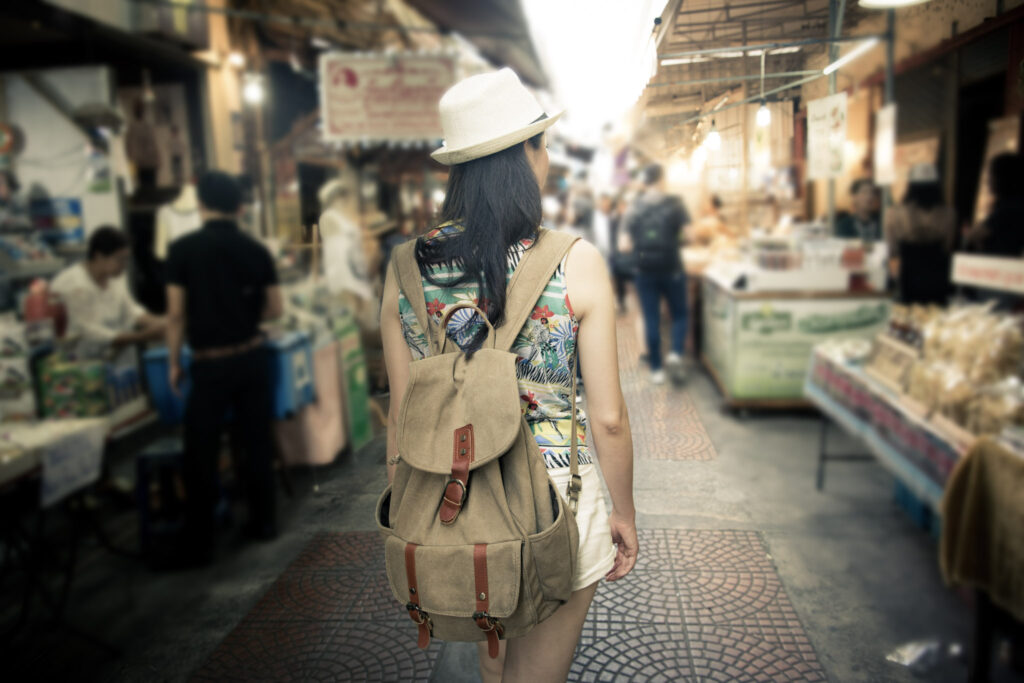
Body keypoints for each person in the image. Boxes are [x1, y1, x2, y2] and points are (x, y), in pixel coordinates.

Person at [379, 68, 638, 683]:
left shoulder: (404, 270)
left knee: (492, 664)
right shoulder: (575, 263)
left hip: (449, 497)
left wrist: (409, 508)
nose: (546, 157)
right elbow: (608, 417)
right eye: (541, 144)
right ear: (526, 157)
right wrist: (622, 512)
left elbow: (403, 413)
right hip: (554, 503)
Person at [165, 171, 283, 566]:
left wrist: (172, 364)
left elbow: (176, 315)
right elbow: (275, 309)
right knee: (255, 442)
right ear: (240, 207)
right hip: (251, 356)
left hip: (210, 364)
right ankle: (263, 522)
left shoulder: (182, 250)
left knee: (200, 449)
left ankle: (199, 541)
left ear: (201, 205)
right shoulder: (255, 250)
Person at [51, 226, 165, 362]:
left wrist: (162, 323)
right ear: (99, 256)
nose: (124, 265)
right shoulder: (72, 284)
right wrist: (142, 336)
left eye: (126, 259)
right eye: (120, 259)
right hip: (81, 364)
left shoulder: (113, 278)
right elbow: (89, 333)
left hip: (114, 361)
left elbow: (131, 310)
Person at [625, 164, 691, 385]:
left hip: (645, 270)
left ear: (645, 181)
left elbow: (624, 244)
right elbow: (689, 236)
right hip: (672, 267)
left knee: (651, 317)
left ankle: (656, 369)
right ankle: (674, 353)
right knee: (680, 314)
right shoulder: (675, 203)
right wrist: (677, 240)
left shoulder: (635, 207)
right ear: (662, 179)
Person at [884, 163, 957, 304]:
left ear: (910, 186)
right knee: (937, 311)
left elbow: (892, 248)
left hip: (909, 270)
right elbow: (949, 246)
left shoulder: (894, 213)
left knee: (910, 313)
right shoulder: (949, 213)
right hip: (939, 270)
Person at [967, 153, 1024, 257]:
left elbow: (976, 234)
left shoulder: (1008, 208)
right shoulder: (1015, 204)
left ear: (1003, 178)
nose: (987, 181)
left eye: (991, 175)